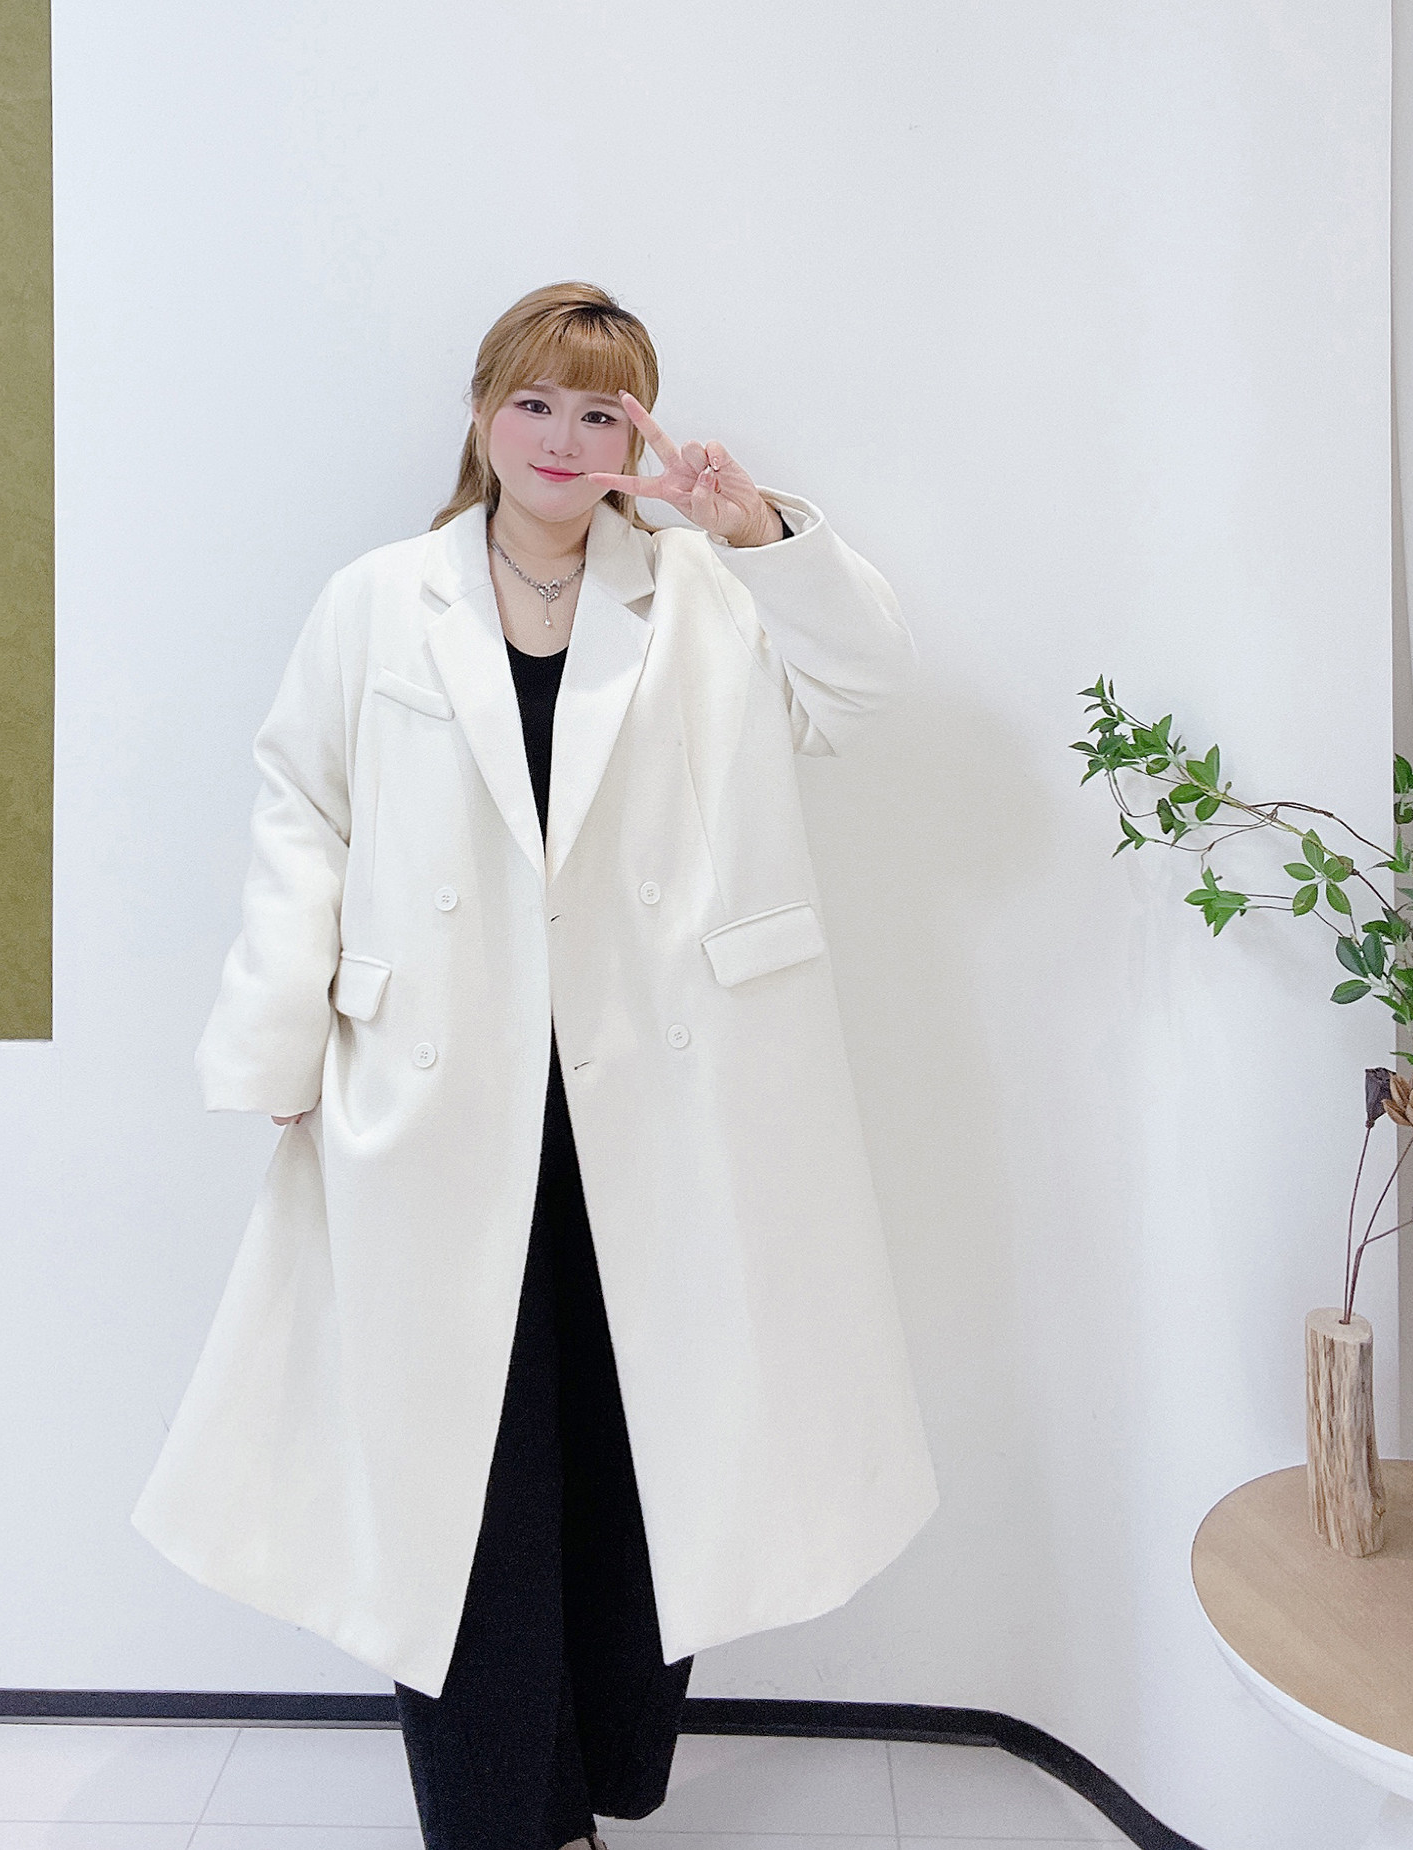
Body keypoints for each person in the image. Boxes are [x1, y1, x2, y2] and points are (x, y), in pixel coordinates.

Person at [130, 282, 940, 1850]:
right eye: (534, 403)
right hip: (441, 1091)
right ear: (482, 412)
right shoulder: (380, 598)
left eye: (600, 410)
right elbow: (302, 812)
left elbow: (863, 686)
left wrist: (753, 528)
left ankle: (606, 1769)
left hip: (661, 1093)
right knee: (458, 1477)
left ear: (638, 430)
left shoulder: (701, 589)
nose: (563, 439)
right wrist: (280, 1031)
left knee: (643, 1443)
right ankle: (505, 1815)